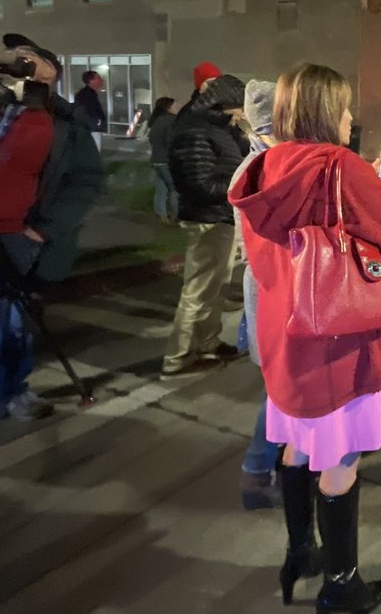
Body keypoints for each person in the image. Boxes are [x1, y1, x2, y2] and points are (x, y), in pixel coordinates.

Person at [230, 62, 381, 612]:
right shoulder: (336, 167)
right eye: (346, 107)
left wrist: (366, 180)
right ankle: (342, 585)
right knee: (340, 461)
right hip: (338, 346)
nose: (352, 117)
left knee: (297, 449)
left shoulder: (264, 166)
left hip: (288, 342)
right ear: (326, 112)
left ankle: (300, 552)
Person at [0, 33, 105, 419]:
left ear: (49, 73)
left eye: (27, 59)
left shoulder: (62, 126)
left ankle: (8, 396)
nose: (14, 63)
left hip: (9, 236)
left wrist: (45, 229)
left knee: (7, 323)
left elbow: (87, 182)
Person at [161, 74, 249, 379]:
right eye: (240, 105)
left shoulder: (220, 129)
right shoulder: (194, 130)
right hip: (206, 219)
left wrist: (240, 132)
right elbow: (199, 183)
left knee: (216, 288)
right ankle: (179, 358)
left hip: (222, 217)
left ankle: (208, 344)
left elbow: (234, 161)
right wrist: (241, 184)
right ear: (226, 102)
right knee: (198, 291)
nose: (243, 111)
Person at [228, 80, 283, 509]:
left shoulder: (261, 163)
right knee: (282, 388)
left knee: (282, 384)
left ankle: (268, 465)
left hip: (266, 287)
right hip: (272, 288)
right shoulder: (263, 169)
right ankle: (258, 470)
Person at [148, 96, 178, 224]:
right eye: (175, 106)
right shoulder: (171, 121)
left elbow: (152, 139)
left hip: (156, 160)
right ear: (169, 107)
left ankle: (161, 214)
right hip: (167, 161)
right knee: (175, 189)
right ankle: (175, 216)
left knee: (161, 188)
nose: (177, 108)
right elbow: (171, 141)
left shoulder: (156, 121)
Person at [74, 70, 107, 150]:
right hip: (91, 129)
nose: (101, 80)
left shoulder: (88, 93)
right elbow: (87, 111)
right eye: (98, 78)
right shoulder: (87, 95)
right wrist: (97, 122)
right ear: (91, 81)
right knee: (94, 151)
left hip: (90, 128)